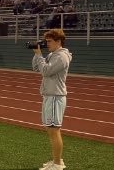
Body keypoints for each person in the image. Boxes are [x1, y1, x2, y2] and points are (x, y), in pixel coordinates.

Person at [33, 29, 72, 170]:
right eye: (46, 40)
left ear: (58, 41)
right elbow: (36, 68)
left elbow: (46, 71)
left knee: (54, 130)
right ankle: (57, 160)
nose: (46, 43)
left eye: (49, 41)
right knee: (50, 130)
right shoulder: (52, 55)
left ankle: (57, 165)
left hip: (55, 97)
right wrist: (37, 54)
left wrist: (39, 55)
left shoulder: (62, 57)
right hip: (49, 96)